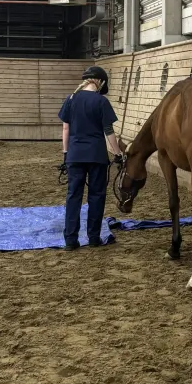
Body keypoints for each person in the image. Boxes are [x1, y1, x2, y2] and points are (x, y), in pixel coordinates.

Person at [58, 65, 125, 250]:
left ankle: (71, 240)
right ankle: (94, 237)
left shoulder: (71, 99)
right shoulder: (101, 101)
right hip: (96, 155)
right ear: (100, 81)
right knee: (96, 196)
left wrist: (66, 153)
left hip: (75, 154)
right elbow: (108, 131)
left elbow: (65, 128)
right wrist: (118, 153)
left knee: (73, 196)